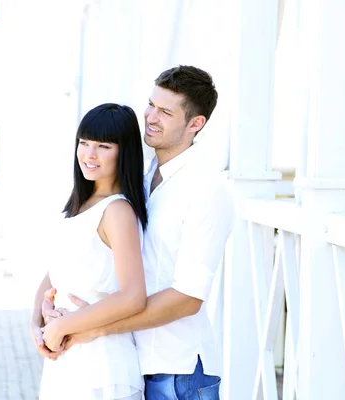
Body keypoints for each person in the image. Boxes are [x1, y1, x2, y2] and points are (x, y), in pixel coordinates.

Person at [37, 65, 234, 400]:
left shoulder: (206, 188)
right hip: (131, 362)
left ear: (195, 124)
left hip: (177, 370)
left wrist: (91, 327)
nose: (151, 117)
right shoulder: (144, 175)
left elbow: (187, 299)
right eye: (151, 104)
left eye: (165, 112)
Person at [32, 103, 149, 400]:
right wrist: (38, 324)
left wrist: (60, 327)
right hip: (67, 360)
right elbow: (54, 275)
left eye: (103, 146)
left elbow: (133, 296)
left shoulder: (117, 210)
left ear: (125, 151)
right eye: (83, 143)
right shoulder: (79, 205)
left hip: (102, 367)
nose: (89, 154)